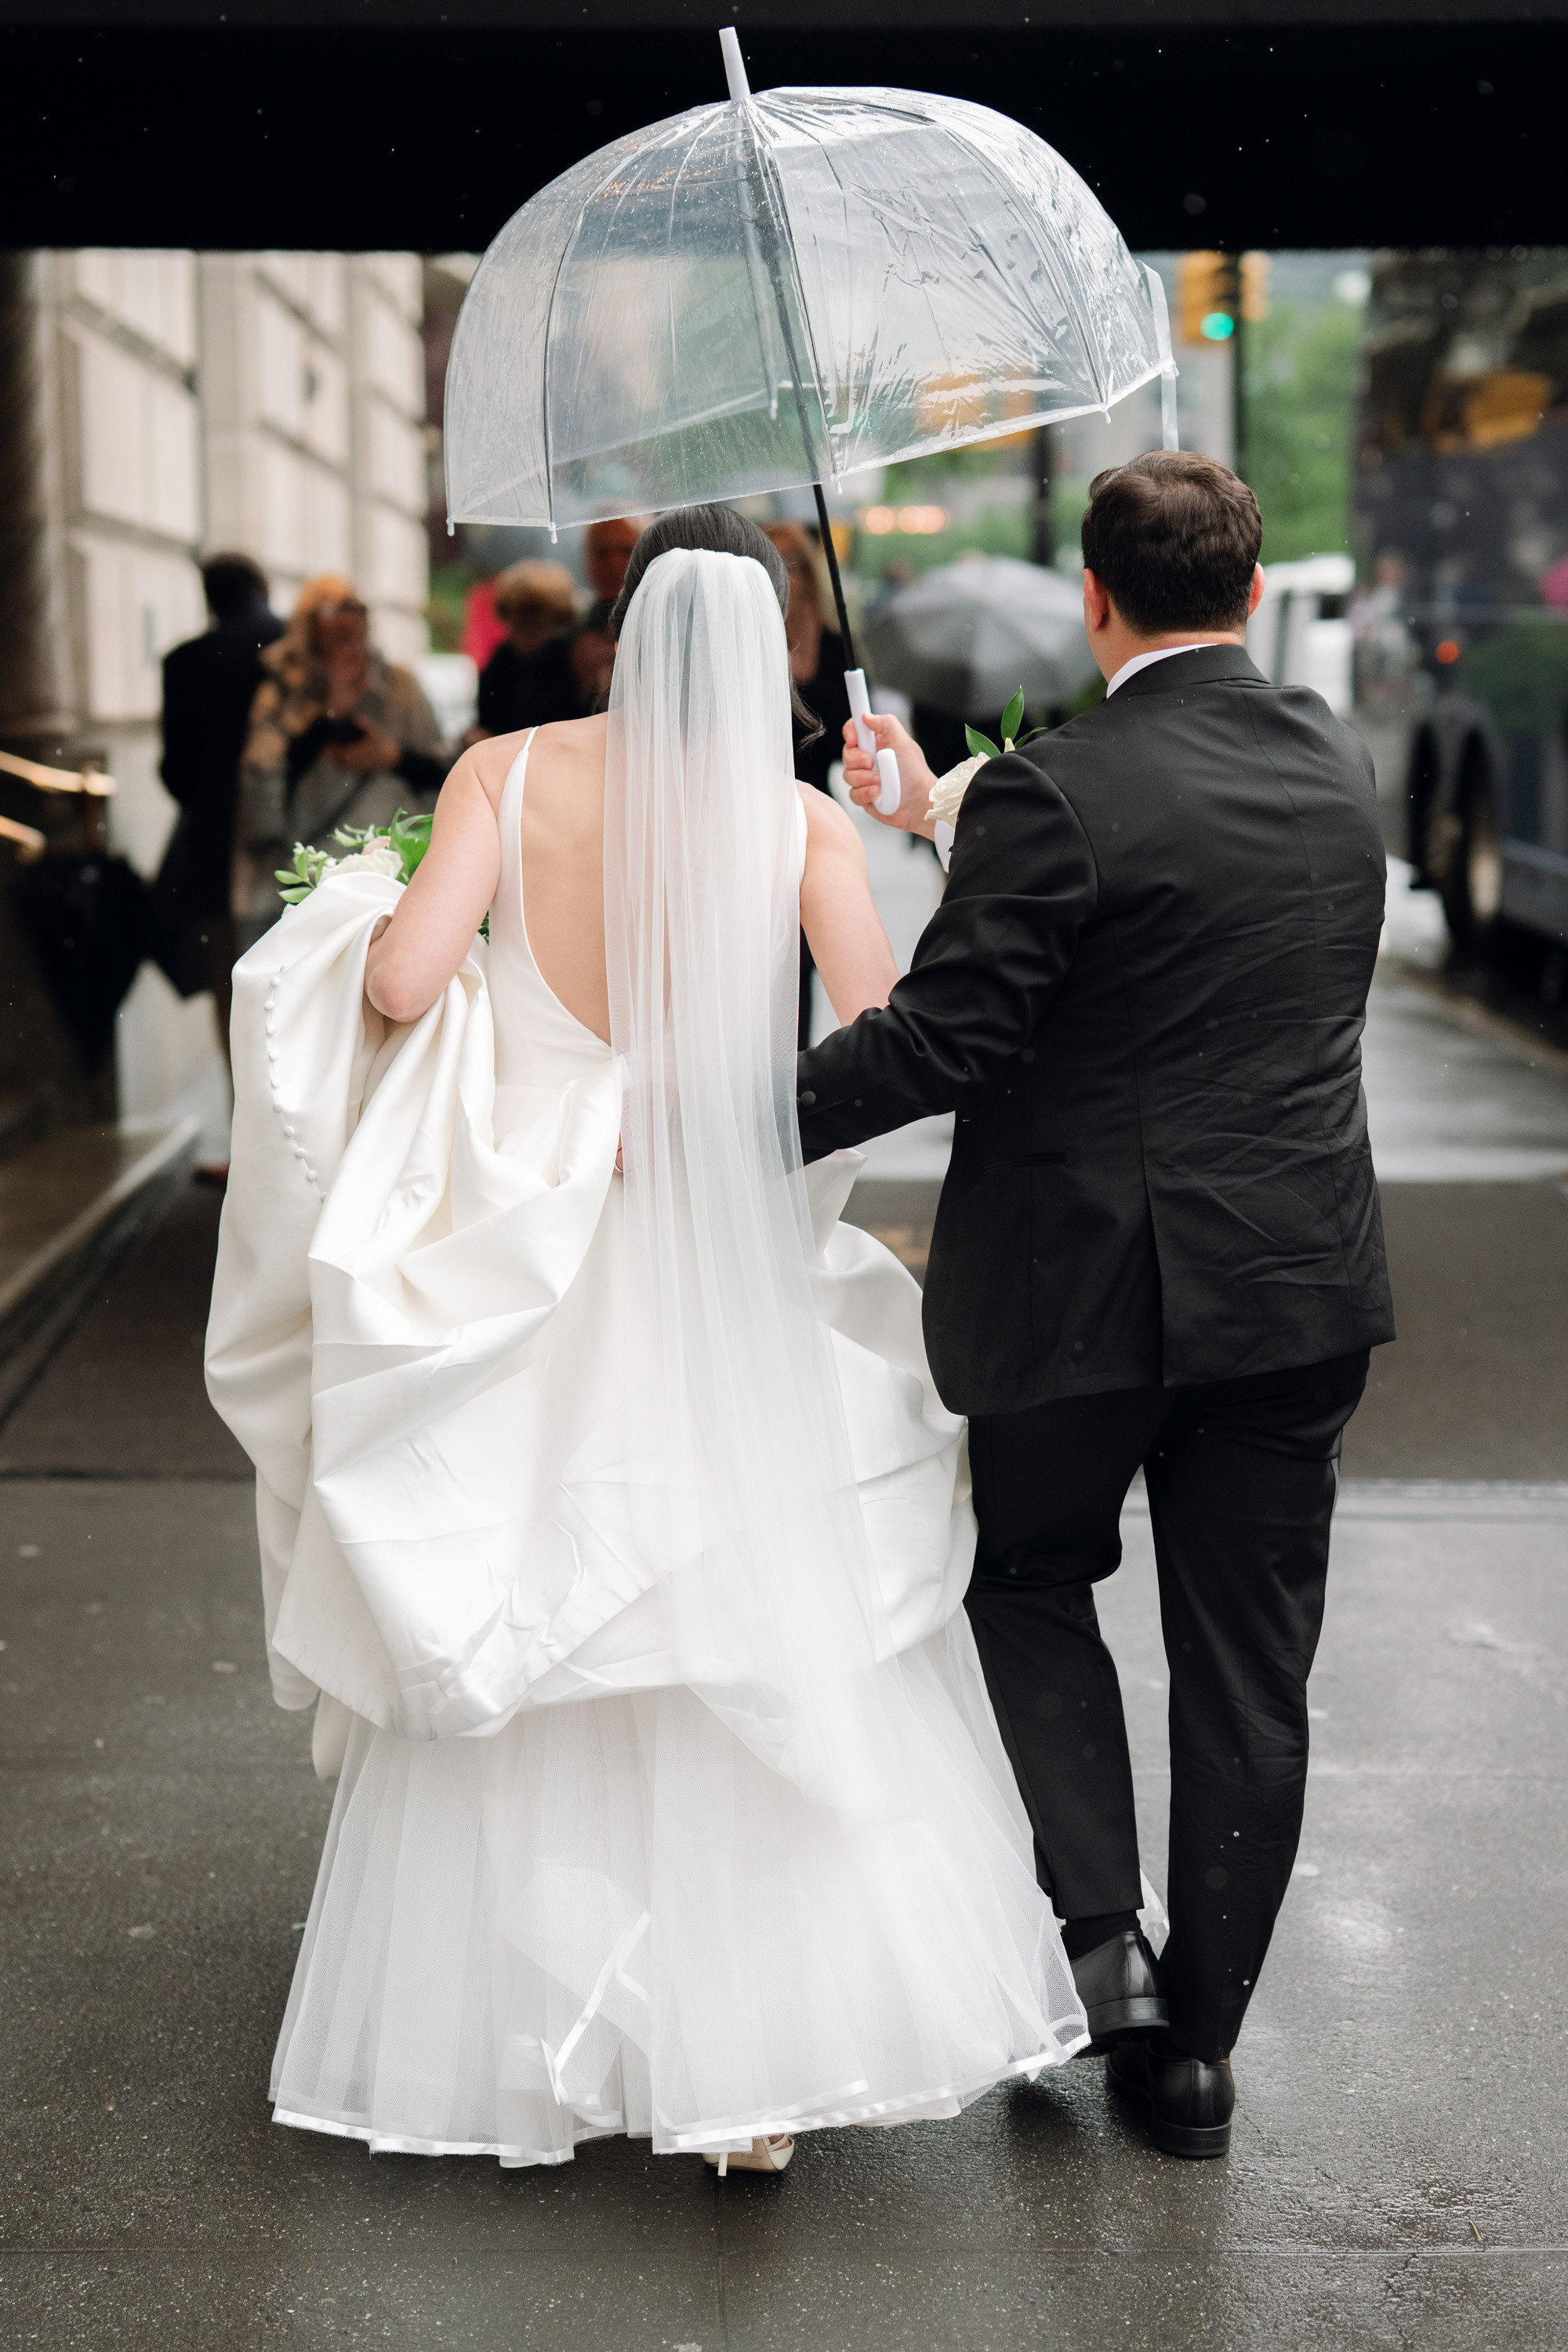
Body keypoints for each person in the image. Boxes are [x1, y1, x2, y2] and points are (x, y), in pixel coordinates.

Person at [205, 504, 1087, 2176]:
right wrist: (911, 822)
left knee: (538, 1597)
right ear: (769, 643)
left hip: (530, 1251)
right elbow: (885, 1035)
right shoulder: (800, 822)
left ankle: (550, 2033)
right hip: (722, 1258)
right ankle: (749, 2073)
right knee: (736, 1600)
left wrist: (404, 928)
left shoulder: (503, 773)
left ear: (616, 624)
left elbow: (396, 988)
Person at [800, 451, 1395, 2161]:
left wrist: (730, 1123)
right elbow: (1146, 850)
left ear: (1091, 597)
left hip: (1081, 1295)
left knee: (1028, 1572)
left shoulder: (1060, 790)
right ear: (1255, 595)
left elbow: (945, 1040)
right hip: (1292, 1289)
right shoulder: (1327, 763)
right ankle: (1195, 2058)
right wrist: (932, 807)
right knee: (1248, 1672)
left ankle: (1096, 1943)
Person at [234, 575, 448, 950]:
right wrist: (330, 717)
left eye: (358, 609)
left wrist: (392, 758)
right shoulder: (282, 690)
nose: (348, 620)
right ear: (309, 623)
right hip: (303, 879)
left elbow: (442, 775)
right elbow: (261, 793)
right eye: (333, 610)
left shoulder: (400, 686)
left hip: (388, 876)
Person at [155, 552, 282, 1062]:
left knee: (237, 998)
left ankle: (249, 1125)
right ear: (262, 586)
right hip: (298, 848)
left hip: (216, 851)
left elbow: (175, 773)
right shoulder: (293, 647)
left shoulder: (185, 662)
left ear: (209, 598)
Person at [764, 521, 855, 1044]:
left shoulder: (834, 640)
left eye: (792, 563)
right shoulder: (745, 643)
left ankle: (795, 1070)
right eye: (771, 564)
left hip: (813, 816)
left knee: (806, 950)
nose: (785, 576)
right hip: (756, 813)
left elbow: (846, 730)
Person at [474, 559, 579, 735]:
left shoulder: (573, 661)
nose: (523, 637)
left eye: (536, 627)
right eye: (518, 626)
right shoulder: (501, 662)